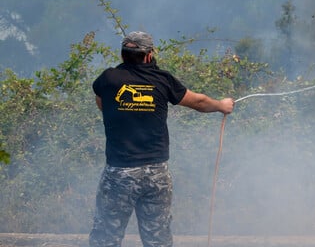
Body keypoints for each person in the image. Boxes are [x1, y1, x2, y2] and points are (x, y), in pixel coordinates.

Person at [89, 31, 234, 247]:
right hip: (156, 172)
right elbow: (199, 102)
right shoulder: (162, 80)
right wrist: (221, 105)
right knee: (158, 239)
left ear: (122, 55)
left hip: (120, 173)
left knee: (106, 238)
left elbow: (102, 103)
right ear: (149, 56)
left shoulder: (108, 79)